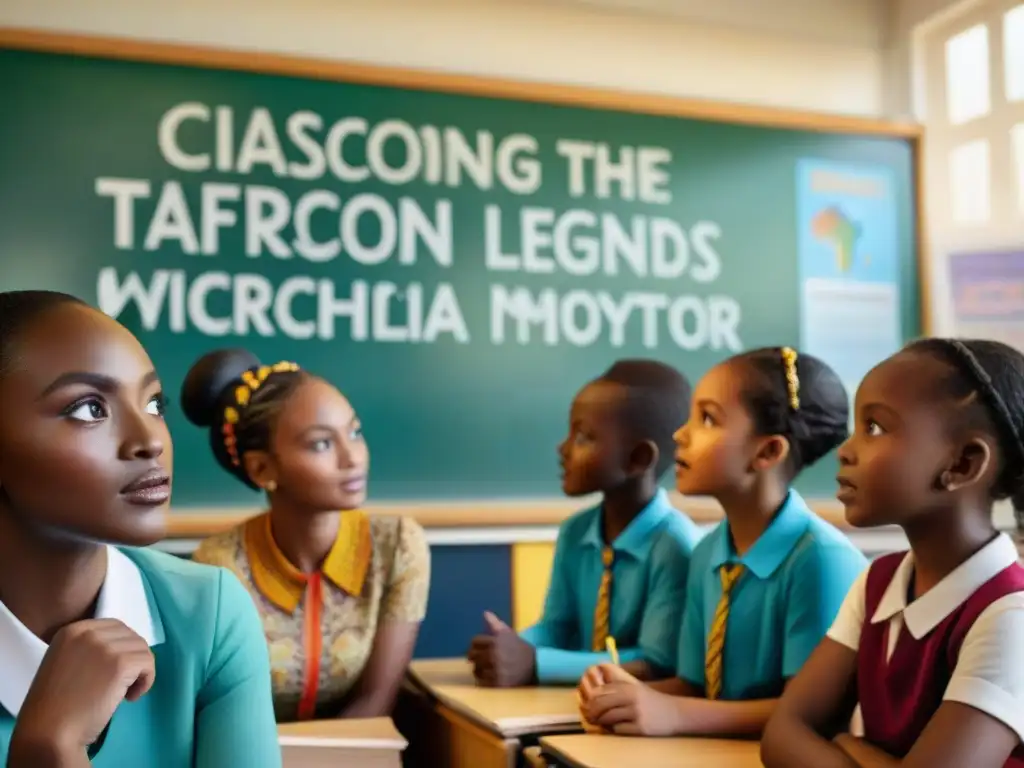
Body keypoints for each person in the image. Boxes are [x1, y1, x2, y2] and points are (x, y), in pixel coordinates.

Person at [0, 291, 280, 768]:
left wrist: (60, 751)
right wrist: (45, 750)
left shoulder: (208, 613)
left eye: (153, 404)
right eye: (89, 408)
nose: (150, 440)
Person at [761, 339, 1024, 768]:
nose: (844, 451)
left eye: (875, 428)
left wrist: (850, 745)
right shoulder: (878, 582)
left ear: (962, 465)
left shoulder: (1010, 618)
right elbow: (782, 733)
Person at [579, 347, 867, 737]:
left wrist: (673, 714)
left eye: (708, 418)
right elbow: (696, 688)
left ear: (767, 452)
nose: (680, 435)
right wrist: (626, 692)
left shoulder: (821, 560)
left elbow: (813, 715)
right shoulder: (707, 553)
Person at [186, 349, 430, 722]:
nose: (353, 457)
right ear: (262, 468)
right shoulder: (220, 567)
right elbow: (223, 718)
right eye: (322, 443)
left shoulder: (397, 546)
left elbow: (374, 704)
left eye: (354, 432)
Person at [467, 359, 702, 687]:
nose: (563, 448)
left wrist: (537, 663)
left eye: (583, 437)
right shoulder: (575, 531)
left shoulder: (675, 545)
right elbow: (557, 626)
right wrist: (511, 645)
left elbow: (655, 663)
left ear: (638, 459)